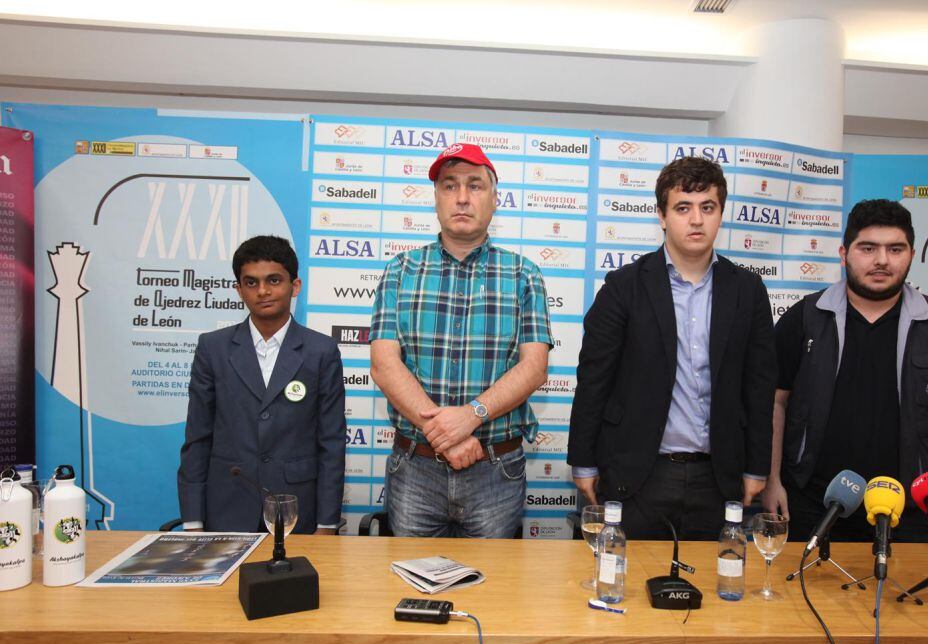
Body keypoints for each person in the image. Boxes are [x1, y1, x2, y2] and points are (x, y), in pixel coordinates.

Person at [567, 156, 777, 540]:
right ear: (662, 216)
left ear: (720, 214)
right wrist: (582, 462)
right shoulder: (624, 287)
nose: (696, 220)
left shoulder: (748, 291)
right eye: (683, 208)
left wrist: (755, 468)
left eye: (707, 207)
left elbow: (759, 388)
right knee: (625, 589)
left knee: (718, 592)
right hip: (638, 474)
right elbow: (594, 379)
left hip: (719, 477)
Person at [763, 199, 928, 542]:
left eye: (895, 249)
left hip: (910, 511)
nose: (882, 260)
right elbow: (774, 403)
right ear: (844, 253)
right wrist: (772, 481)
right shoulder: (804, 318)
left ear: (911, 254)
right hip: (810, 504)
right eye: (868, 248)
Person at [370, 143, 552, 538]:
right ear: (436, 199)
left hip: (495, 470)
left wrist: (470, 417)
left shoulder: (524, 275)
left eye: (475, 186)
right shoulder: (400, 271)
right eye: (450, 186)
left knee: (491, 590)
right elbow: (385, 365)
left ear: (494, 199)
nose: (463, 198)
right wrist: (446, 437)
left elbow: (534, 368)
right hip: (415, 468)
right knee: (411, 587)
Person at [177, 235, 345, 534]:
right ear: (238, 289)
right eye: (251, 282)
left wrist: (327, 523)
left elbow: (331, 443)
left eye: (274, 280)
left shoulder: (321, 351)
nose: (263, 291)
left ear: (295, 286)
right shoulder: (212, 348)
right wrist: (193, 521)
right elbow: (197, 438)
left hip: (297, 510)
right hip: (227, 508)